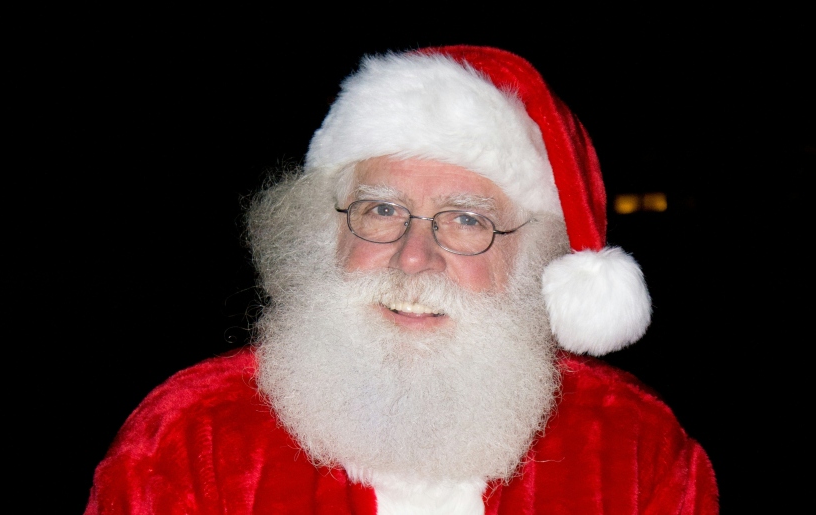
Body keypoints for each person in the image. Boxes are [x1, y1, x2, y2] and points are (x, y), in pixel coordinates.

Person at [85, 45, 718, 514]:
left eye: (466, 221)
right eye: (382, 211)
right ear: (325, 234)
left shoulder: (636, 448)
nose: (413, 257)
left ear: (534, 261)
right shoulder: (186, 440)